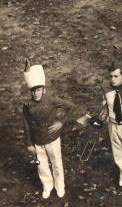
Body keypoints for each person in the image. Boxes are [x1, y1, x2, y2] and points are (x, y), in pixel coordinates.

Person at [22, 62, 77, 199]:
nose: (36, 93)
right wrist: (29, 143)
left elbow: (70, 106)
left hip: (52, 138)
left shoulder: (51, 100)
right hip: (37, 141)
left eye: (38, 89)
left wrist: (61, 122)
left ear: (43, 89)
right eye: (33, 90)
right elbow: (27, 124)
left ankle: (60, 186)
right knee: (42, 165)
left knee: (57, 163)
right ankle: (47, 185)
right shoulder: (27, 105)